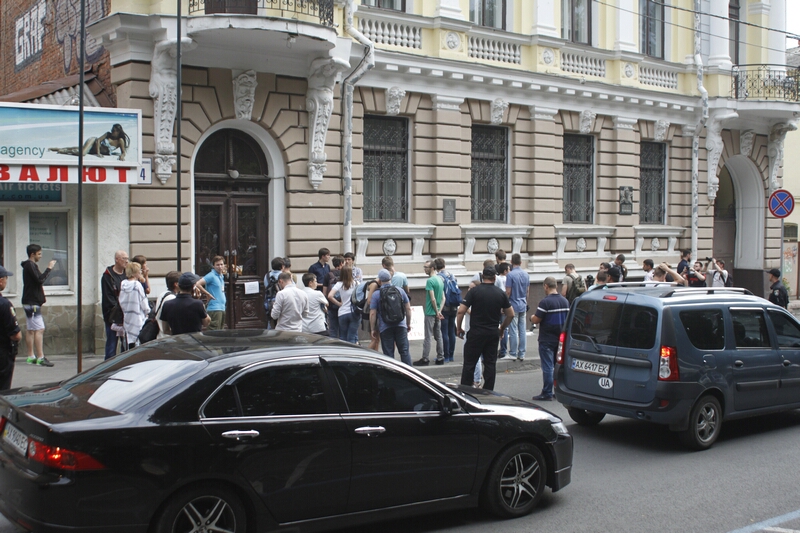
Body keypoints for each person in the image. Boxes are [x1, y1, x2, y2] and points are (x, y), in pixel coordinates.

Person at [456, 267, 514, 391]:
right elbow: (511, 314)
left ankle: (465, 391)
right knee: (490, 364)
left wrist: (459, 328)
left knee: (469, 364)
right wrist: (502, 328)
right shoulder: (500, 293)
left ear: (482, 277)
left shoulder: (474, 292)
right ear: (494, 278)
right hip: (492, 333)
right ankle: (488, 391)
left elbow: (461, 311)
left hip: (476, 333)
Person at [531, 277, 570, 401]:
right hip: (560, 338)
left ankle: (547, 392)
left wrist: (531, 317)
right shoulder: (565, 301)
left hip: (547, 338)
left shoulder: (545, 302)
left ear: (546, 286)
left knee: (547, 366)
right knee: (557, 366)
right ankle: (558, 391)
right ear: (556, 286)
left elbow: (537, 319)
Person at [20, 244, 56, 367]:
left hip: (29, 301)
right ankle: (40, 357)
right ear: (32, 254)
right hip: (32, 302)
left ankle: (31, 356)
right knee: (39, 329)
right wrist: (49, 268)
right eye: (39, 254)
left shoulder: (29, 266)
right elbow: (40, 279)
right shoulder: (30, 265)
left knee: (31, 330)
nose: (40, 256)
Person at [370, 269, 412, 365]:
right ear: (390, 278)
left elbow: (373, 313)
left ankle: (391, 373)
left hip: (385, 327)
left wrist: (373, 329)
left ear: (379, 280)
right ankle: (410, 372)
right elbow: (408, 308)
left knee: (388, 354)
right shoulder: (400, 290)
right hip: (401, 325)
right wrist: (408, 324)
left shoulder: (376, 294)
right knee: (404, 351)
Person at [414, 260, 444, 366]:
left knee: (428, 336)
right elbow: (443, 298)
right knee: (438, 336)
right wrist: (439, 311)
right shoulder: (440, 279)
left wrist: (436, 311)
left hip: (430, 312)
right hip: (437, 312)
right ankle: (441, 357)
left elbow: (433, 299)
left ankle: (425, 358)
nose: (424, 269)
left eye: (426, 267)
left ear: (432, 268)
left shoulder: (430, 281)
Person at [49, 123, 131, 161]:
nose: (112, 132)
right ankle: (62, 151)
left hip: (93, 150)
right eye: (112, 130)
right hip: (93, 141)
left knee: (77, 148)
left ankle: (57, 149)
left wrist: (122, 157)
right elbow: (98, 140)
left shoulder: (120, 141)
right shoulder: (107, 134)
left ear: (118, 132)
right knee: (82, 153)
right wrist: (98, 153)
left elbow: (123, 152)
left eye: (114, 131)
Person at [101, 250, 129, 359]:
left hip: (125, 315)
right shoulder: (108, 276)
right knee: (112, 344)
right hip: (112, 316)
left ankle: (123, 364)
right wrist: (117, 311)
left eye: (127, 259)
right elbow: (108, 298)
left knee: (125, 344)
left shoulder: (127, 274)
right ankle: (109, 365)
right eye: (124, 259)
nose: (127, 261)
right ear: (117, 259)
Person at [118, 262, 150, 350]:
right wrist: (148, 311)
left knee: (129, 340)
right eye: (139, 270)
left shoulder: (123, 284)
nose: (140, 272)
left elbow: (121, 300)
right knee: (138, 342)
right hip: (138, 316)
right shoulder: (137, 285)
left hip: (127, 316)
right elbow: (143, 301)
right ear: (135, 272)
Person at [505, 253, 529, 361]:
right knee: (522, 329)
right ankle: (522, 353)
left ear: (511, 262)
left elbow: (508, 292)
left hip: (513, 304)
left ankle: (513, 352)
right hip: (523, 303)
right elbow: (527, 291)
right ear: (521, 262)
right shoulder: (526, 274)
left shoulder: (510, 275)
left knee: (513, 329)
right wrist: (525, 301)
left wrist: (505, 305)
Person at [0, 266, 21, 390]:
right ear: (0, 281)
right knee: (3, 391)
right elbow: (15, 335)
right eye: (6, 278)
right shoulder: (4, 304)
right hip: (2, 354)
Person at [435, 257, 458, 363]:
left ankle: (446, 355)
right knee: (451, 331)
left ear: (435, 267)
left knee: (444, 331)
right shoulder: (452, 275)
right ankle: (451, 355)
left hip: (444, 307)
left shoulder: (438, 277)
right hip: (454, 306)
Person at [329, 266, 359, 343]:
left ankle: (343, 350)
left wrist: (339, 304)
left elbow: (330, 296)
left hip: (342, 312)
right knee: (352, 337)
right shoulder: (356, 283)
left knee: (343, 337)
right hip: (353, 312)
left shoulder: (339, 284)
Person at [196, 255, 227, 330]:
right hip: (214, 308)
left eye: (221, 264)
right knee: (214, 331)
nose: (220, 267)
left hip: (222, 308)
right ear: (213, 266)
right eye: (217, 265)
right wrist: (207, 294)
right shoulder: (211, 275)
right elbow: (197, 284)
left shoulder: (221, 276)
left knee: (221, 331)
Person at [323, 256, 343, 338]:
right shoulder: (346, 274)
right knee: (343, 330)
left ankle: (333, 345)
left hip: (332, 305)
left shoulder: (328, 275)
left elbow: (324, 292)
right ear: (341, 263)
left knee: (333, 329)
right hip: (344, 305)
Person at [155, 271, 181, 339]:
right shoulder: (172, 298)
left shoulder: (162, 294)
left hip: (161, 335)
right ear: (176, 284)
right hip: (168, 337)